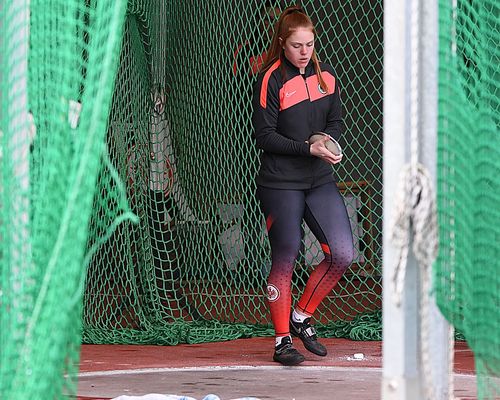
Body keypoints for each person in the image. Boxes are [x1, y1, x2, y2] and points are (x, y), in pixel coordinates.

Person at [252, 5, 354, 366]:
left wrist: (326, 141)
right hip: (280, 182)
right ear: (283, 44)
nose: (305, 51)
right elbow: (263, 136)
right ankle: (282, 341)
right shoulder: (271, 79)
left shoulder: (326, 76)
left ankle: (301, 315)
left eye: (309, 44)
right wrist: (305, 148)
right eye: (297, 45)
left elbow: (336, 119)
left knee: (342, 254)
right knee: (287, 254)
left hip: (319, 179)